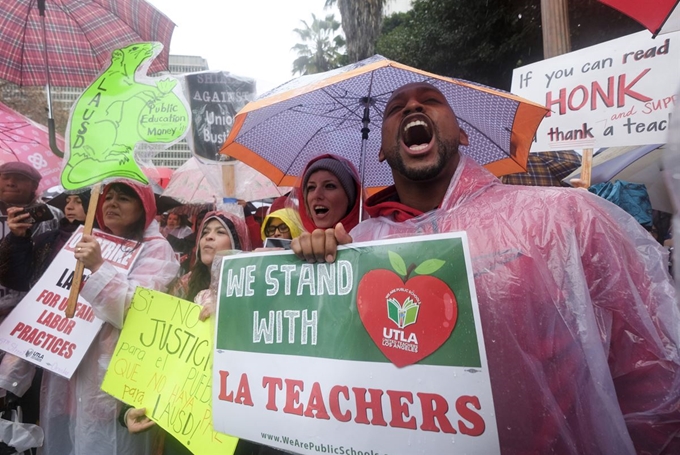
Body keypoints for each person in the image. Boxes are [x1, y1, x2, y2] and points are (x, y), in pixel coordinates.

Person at [292, 82, 680, 454]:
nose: (412, 107)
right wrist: (314, 270)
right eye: (396, 109)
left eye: (431, 100)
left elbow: (654, 371)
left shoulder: (564, 219)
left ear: (461, 134)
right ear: (381, 150)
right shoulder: (357, 246)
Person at [34, 179, 179, 455]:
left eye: (124, 198)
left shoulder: (157, 249)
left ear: (144, 208)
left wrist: (99, 267)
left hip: (116, 373)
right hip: (73, 364)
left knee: (108, 444)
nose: (112, 203)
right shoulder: (89, 240)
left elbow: (135, 310)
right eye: (108, 197)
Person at [293, 154, 362, 233]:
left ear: (350, 198)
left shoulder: (371, 240)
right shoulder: (294, 243)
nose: (316, 195)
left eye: (329, 186)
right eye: (311, 187)